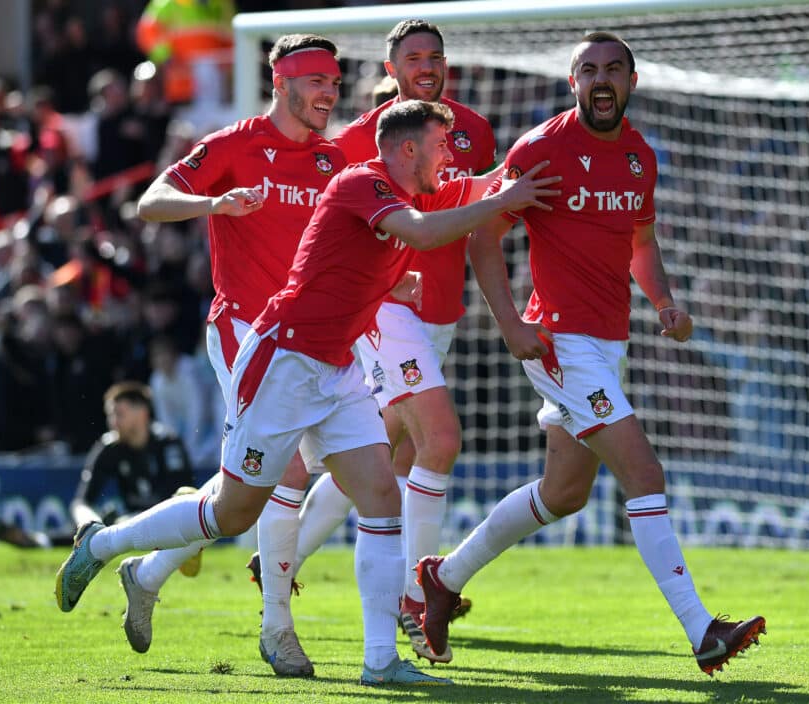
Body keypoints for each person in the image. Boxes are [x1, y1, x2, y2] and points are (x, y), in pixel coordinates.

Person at [54, 98, 559, 687]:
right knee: (231, 510)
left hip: (339, 368)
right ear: (407, 149)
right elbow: (423, 234)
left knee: (379, 498)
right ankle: (106, 542)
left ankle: (380, 663)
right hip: (283, 362)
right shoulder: (359, 183)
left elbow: (478, 187)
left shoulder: (419, 191)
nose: (450, 157)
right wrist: (501, 203)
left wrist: (538, 158)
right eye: (441, 146)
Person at [416, 32, 766, 677]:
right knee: (645, 474)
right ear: (571, 82)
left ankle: (444, 580)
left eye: (612, 70)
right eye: (588, 70)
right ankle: (702, 631)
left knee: (564, 492)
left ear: (632, 81)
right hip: (558, 343)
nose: (600, 80)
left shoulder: (638, 156)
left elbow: (641, 241)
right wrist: (511, 323)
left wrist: (663, 302)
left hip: (608, 343)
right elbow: (482, 239)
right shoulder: (543, 150)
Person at [247, 19, 497, 665]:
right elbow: (366, 225)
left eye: (435, 55)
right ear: (390, 66)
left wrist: (502, 312)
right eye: (413, 57)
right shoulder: (365, 140)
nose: (426, 65)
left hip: (431, 313)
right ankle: (420, 593)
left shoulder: (473, 130)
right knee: (438, 439)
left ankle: (269, 557)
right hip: (382, 314)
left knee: (381, 457)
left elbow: (485, 230)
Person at [118, 34, 349, 676]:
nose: (329, 91)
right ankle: (278, 629)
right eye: (316, 81)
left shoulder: (335, 160)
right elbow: (150, 202)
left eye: (335, 80)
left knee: (250, 488)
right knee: (284, 475)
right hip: (244, 332)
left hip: (314, 339)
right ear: (280, 83)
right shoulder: (232, 146)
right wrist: (212, 203)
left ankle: (144, 568)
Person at [0, 382, 195, 549]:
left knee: (118, 526)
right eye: (110, 416)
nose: (113, 422)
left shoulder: (168, 444)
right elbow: (81, 502)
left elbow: (182, 500)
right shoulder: (109, 447)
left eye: (119, 414)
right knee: (101, 527)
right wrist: (91, 523)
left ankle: (39, 541)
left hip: (166, 525)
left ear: (142, 413)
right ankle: (38, 541)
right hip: (129, 524)